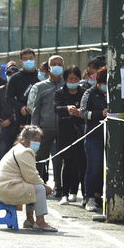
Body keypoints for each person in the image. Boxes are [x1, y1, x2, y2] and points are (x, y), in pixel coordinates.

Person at [0, 125, 58, 232]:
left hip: (2, 188)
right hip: (6, 189)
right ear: (25, 140)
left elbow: (29, 178)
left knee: (31, 187)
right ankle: (40, 221)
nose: (38, 142)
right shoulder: (25, 152)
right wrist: (45, 186)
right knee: (39, 188)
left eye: (39, 140)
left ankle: (30, 219)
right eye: (35, 140)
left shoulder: (18, 148)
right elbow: (31, 176)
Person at [28, 55, 65, 193]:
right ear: (49, 68)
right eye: (54, 64)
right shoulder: (40, 86)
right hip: (44, 129)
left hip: (62, 129)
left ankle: (59, 186)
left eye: (59, 64)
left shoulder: (66, 85)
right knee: (39, 158)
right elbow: (36, 110)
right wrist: (34, 130)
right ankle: (37, 184)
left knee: (60, 159)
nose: (56, 66)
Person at [53, 65, 86, 204]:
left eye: (76, 78)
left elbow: (88, 108)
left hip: (82, 131)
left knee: (82, 163)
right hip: (65, 132)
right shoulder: (59, 93)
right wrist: (67, 109)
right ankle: (64, 193)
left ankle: (81, 194)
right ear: (65, 79)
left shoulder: (84, 92)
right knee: (67, 162)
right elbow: (56, 108)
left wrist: (80, 112)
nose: (73, 81)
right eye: (70, 78)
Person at [80, 66, 108, 212]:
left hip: (110, 137)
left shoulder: (114, 93)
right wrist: (100, 114)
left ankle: (104, 197)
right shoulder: (89, 93)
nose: (105, 87)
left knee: (107, 169)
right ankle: (89, 198)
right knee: (93, 168)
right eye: (103, 83)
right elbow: (83, 112)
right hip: (93, 137)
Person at [6, 48, 39, 134]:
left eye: (31, 58)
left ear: (35, 60)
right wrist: (20, 107)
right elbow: (9, 98)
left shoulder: (40, 76)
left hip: (40, 116)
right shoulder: (15, 78)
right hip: (22, 117)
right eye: (25, 59)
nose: (29, 60)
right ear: (21, 62)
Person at [0, 65, 18, 164]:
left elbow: (21, 108)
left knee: (17, 152)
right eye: (9, 75)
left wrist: (10, 120)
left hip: (17, 126)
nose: (10, 77)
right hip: (4, 125)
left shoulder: (21, 90)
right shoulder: (1, 90)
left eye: (13, 75)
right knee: (1, 151)